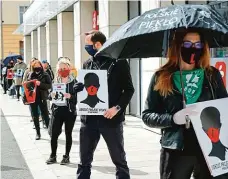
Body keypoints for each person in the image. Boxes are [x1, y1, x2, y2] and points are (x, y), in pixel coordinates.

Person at [142, 28, 228, 179]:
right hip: (176, 148)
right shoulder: (162, 77)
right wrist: (173, 119)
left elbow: (224, 107)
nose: (193, 48)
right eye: (187, 44)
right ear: (177, 46)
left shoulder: (211, 75)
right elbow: (147, 116)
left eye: (198, 44)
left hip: (210, 148)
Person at [74, 30, 135, 179]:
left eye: (87, 44)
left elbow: (129, 90)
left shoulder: (118, 62)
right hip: (88, 120)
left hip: (111, 119)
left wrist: (117, 108)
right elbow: (82, 87)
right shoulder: (87, 63)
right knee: (84, 161)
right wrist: (77, 88)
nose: (86, 48)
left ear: (98, 44)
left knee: (119, 159)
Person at [46, 58, 78, 165]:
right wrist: (51, 95)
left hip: (69, 111)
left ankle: (66, 156)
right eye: (61, 68)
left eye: (65, 68)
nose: (63, 70)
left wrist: (71, 96)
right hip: (57, 110)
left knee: (68, 133)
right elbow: (49, 96)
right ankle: (53, 155)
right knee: (54, 134)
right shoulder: (55, 81)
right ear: (58, 69)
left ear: (69, 68)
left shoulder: (74, 82)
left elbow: (79, 98)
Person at [27, 59, 52, 140]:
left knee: (45, 115)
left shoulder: (45, 74)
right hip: (33, 98)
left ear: (41, 66)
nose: (37, 67)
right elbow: (27, 86)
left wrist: (40, 84)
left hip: (42, 98)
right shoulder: (31, 75)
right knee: (35, 116)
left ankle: (50, 132)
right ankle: (38, 133)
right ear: (32, 67)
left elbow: (49, 86)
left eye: (38, 66)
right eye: (35, 66)